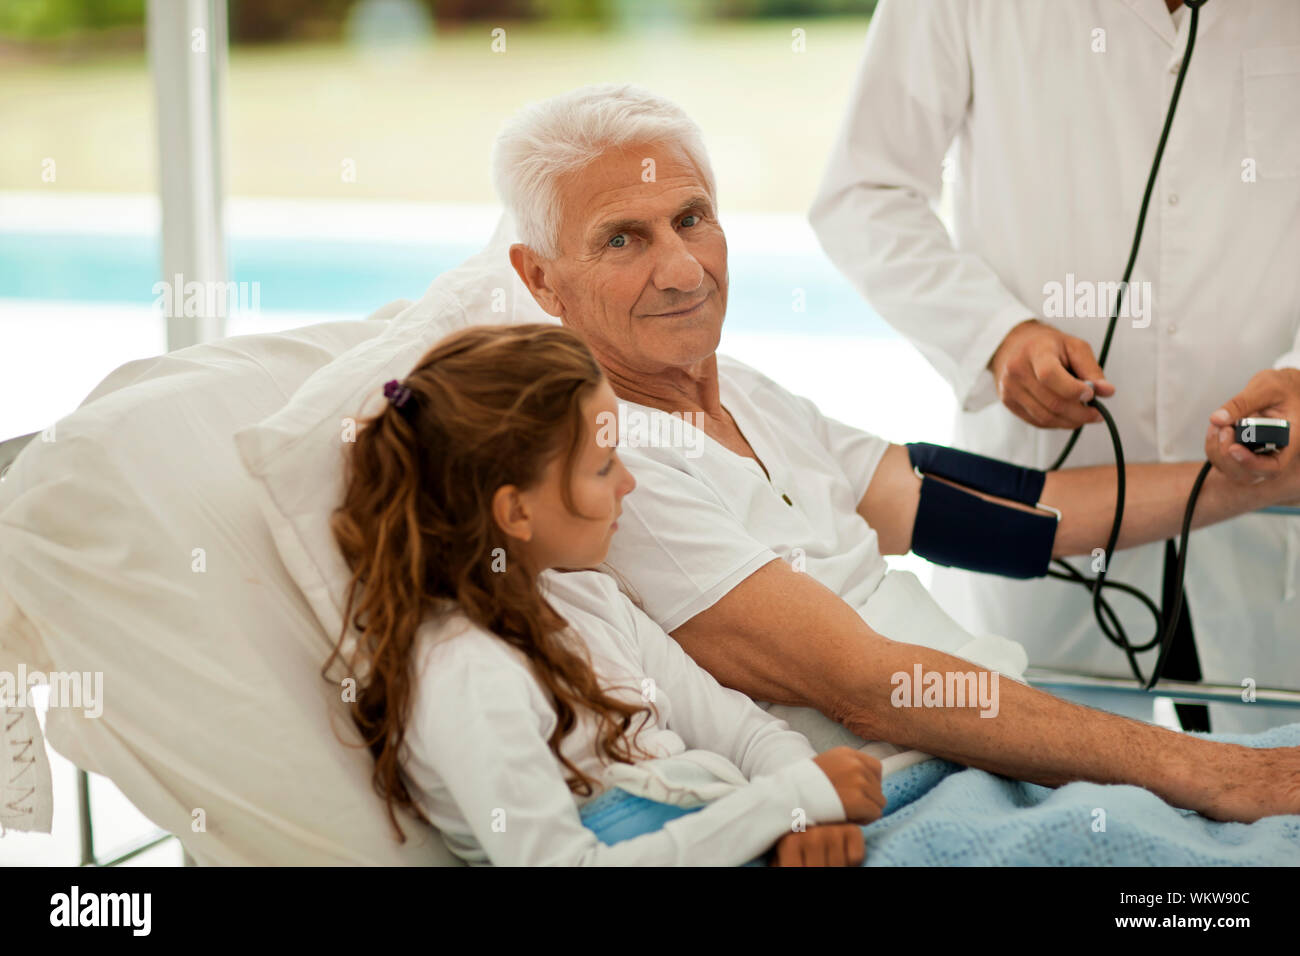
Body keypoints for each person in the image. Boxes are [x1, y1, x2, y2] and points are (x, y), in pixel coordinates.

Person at [494, 82, 1300, 822]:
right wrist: (1213, 772)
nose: (681, 269)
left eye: (692, 218)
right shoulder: (614, 467)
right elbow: (872, 690)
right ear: (541, 279)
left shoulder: (742, 392)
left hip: (985, 759)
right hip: (903, 799)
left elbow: (1011, 516)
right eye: (623, 240)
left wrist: (1250, 482)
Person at [808, 0, 1300, 733]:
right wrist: (994, 334)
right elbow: (862, 192)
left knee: (1277, 796)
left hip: (1273, 517)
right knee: (1050, 795)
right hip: (1049, 512)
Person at [325, 322, 883, 866]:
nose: (628, 482)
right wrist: (787, 802)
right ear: (517, 511)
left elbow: (744, 732)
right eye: (603, 465)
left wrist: (806, 815)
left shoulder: (590, 599)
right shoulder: (466, 673)